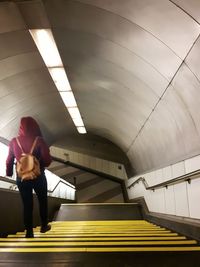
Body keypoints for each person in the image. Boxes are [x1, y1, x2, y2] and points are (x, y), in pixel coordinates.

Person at [6, 117, 52, 238]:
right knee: (42, 201)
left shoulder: (13, 141)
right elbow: (47, 160)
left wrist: (9, 172)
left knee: (27, 204)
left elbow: (9, 160)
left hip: (22, 178)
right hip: (38, 176)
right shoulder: (39, 140)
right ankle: (43, 226)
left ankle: (29, 232)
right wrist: (38, 166)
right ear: (35, 126)